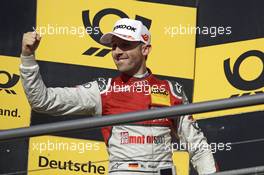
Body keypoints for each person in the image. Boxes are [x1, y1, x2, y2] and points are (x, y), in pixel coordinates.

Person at [20, 18, 216, 175]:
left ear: (145, 49)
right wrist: (28, 56)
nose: (117, 52)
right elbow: (42, 101)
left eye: (125, 45)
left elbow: (197, 146)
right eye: (114, 46)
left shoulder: (171, 89)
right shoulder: (103, 89)